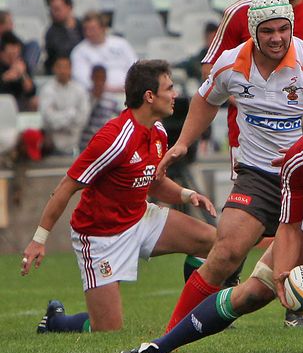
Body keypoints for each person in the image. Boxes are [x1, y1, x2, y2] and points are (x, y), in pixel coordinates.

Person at [119, 102, 303, 353]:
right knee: (253, 293)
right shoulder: (296, 160)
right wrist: (282, 274)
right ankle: (160, 346)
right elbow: (290, 226)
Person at [155, 0, 303, 335]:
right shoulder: (230, 64)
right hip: (257, 176)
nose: (276, 38)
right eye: (267, 31)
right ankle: (171, 334)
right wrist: (183, 142)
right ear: (253, 32)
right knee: (226, 252)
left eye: (283, 29)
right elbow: (206, 99)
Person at [21, 60, 217, 333]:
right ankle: (56, 321)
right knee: (107, 328)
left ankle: (195, 318)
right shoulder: (114, 138)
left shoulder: (158, 131)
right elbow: (66, 186)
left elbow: (152, 181)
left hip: (140, 218)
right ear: (149, 96)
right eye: (169, 89)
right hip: (101, 236)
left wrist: (187, 194)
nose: (175, 95)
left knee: (211, 240)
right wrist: (38, 240)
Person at [198, 0, 303, 327]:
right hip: (250, 144)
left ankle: (295, 300)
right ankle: (226, 282)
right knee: (242, 232)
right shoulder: (241, 13)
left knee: (299, 223)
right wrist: (252, 93)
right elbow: (212, 73)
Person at [70, 11, 138, 92]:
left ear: (103, 28)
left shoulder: (121, 44)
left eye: (92, 29)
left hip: (127, 92)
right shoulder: (79, 51)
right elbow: (82, 79)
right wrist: (106, 89)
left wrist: (128, 87)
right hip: (97, 95)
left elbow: (135, 68)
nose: (88, 33)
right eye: (85, 29)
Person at [40, 56, 90, 156]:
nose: (62, 71)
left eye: (66, 67)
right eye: (59, 67)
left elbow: (82, 118)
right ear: (54, 69)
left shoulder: (80, 90)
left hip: (75, 143)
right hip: (52, 144)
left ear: (71, 69)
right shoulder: (47, 90)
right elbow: (48, 118)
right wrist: (70, 114)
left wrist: (60, 121)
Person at [79, 65, 122, 150]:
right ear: (91, 78)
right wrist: (94, 99)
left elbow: (122, 116)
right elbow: (81, 119)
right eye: (97, 78)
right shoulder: (84, 97)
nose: (99, 82)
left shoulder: (111, 99)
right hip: (85, 143)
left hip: (103, 143)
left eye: (102, 78)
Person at [44, 0, 84, 75]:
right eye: (52, 10)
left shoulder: (84, 27)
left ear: (69, 7)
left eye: (57, 9)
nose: (54, 13)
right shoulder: (51, 33)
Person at [0, 31, 37, 111]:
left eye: (16, 54)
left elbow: (31, 91)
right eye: (10, 55)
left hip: (19, 101)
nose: (13, 58)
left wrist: (23, 75)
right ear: (2, 54)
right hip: (2, 100)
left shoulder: (22, 64)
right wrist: (5, 78)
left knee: (34, 101)